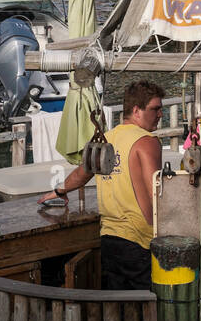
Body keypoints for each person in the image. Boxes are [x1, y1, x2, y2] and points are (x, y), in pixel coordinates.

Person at [39, 81, 164, 290]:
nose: (160, 114)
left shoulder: (105, 139)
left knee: (119, 309)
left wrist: (59, 190)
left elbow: (81, 173)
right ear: (136, 110)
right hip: (140, 241)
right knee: (149, 308)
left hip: (109, 239)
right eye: (155, 109)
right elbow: (158, 192)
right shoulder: (146, 141)